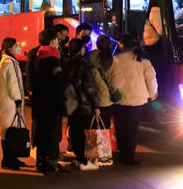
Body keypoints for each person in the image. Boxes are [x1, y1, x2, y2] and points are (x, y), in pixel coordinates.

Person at [115, 34, 158, 165]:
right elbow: (150, 77)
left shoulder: (115, 59)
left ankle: (122, 152)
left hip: (119, 98)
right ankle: (130, 154)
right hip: (138, 98)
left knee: (121, 126)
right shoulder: (142, 59)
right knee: (132, 127)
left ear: (121, 44)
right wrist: (152, 93)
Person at [31, 29, 68, 174]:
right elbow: (59, 82)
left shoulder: (36, 57)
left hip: (40, 102)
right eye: (57, 40)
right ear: (52, 41)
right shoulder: (52, 59)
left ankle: (41, 161)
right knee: (53, 134)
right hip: (52, 103)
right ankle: (53, 163)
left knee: (42, 132)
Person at [67, 38, 101, 170]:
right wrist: (96, 105)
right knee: (84, 132)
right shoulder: (83, 64)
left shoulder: (67, 62)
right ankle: (83, 161)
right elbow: (89, 87)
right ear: (81, 49)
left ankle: (78, 158)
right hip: (83, 103)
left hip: (72, 103)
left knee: (75, 131)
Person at [0, 37, 25, 171]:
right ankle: (8, 159)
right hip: (11, 102)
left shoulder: (3, 62)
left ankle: (11, 157)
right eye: (15, 45)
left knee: (7, 130)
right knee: (11, 131)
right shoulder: (11, 63)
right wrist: (19, 103)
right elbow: (14, 85)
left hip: (4, 101)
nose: (17, 47)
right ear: (10, 48)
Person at [86, 36, 124, 132]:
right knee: (104, 128)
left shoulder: (89, 57)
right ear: (110, 45)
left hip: (91, 98)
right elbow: (117, 83)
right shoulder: (113, 60)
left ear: (97, 44)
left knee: (90, 127)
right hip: (106, 100)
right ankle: (102, 142)